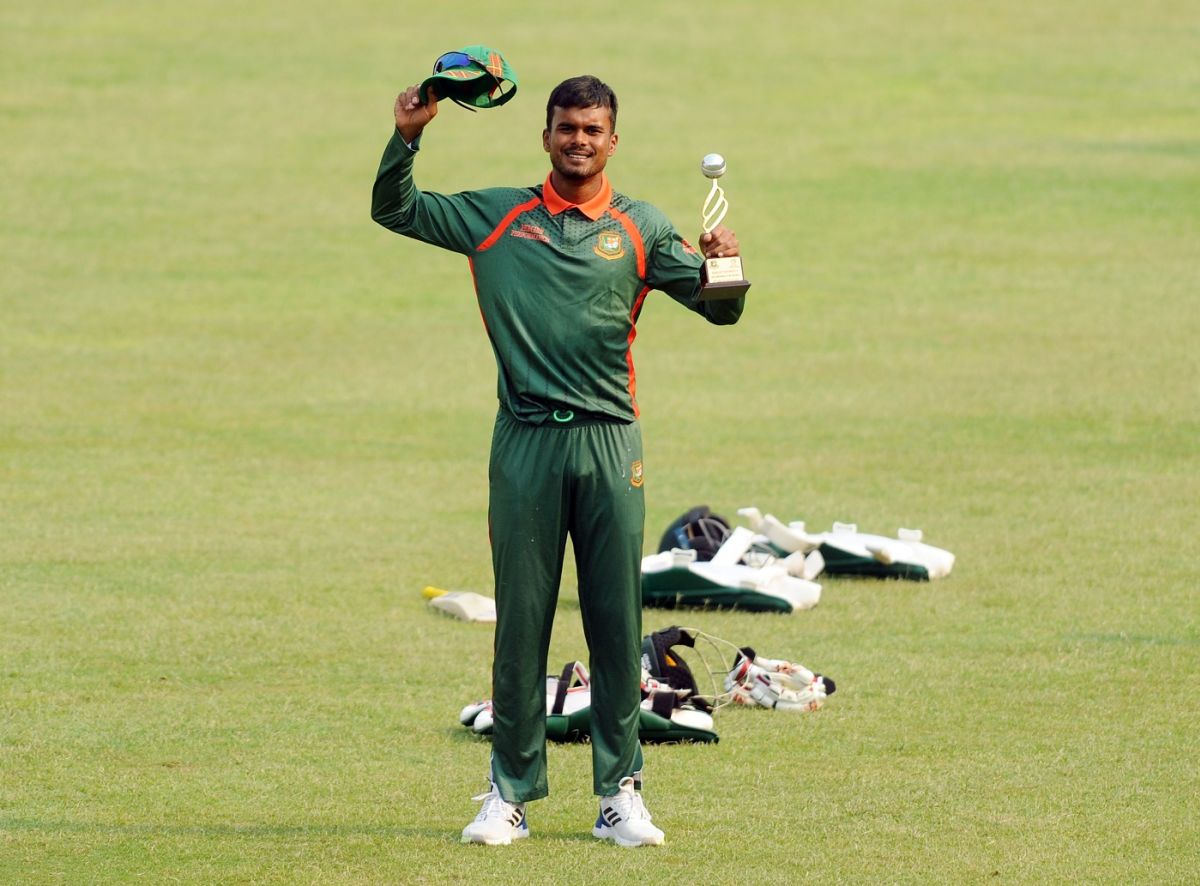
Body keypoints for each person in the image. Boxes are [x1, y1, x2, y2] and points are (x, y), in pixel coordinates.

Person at [371, 74, 745, 848]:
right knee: (522, 622)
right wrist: (408, 134)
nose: (579, 140)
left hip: (611, 443)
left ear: (614, 141)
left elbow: (721, 310)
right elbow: (395, 209)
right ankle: (508, 794)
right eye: (567, 127)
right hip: (526, 442)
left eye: (594, 129)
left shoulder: (639, 226)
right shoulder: (497, 217)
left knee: (615, 620)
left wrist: (724, 265)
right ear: (545, 135)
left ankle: (620, 796)